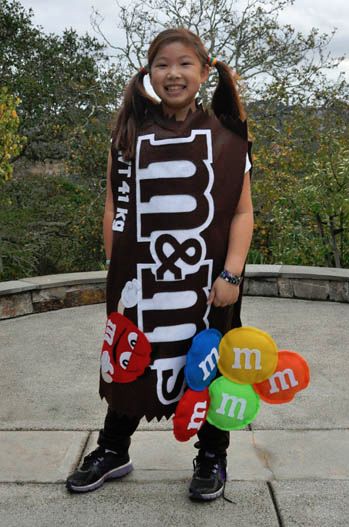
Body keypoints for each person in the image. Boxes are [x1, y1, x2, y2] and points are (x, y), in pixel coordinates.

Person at [66, 27, 254, 501]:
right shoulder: (130, 133)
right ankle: (113, 449)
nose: (173, 74)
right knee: (133, 359)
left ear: (204, 71)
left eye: (184, 63)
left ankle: (213, 455)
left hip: (208, 283)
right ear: (149, 72)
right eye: (162, 64)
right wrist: (118, 266)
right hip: (141, 283)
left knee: (208, 365)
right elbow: (113, 205)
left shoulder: (228, 139)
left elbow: (241, 212)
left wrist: (231, 272)